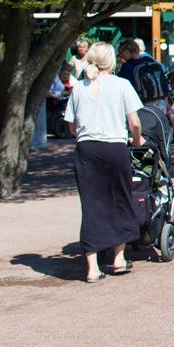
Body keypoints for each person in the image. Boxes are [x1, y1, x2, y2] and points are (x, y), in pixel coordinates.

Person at [63, 42, 144, 283]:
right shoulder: (121, 85)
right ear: (112, 61)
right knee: (119, 199)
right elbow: (135, 122)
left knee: (91, 204)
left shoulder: (79, 88)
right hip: (114, 147)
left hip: (87, 148)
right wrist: (137, 140)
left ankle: (92, 268)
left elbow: (70, 125)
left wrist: (84, 136)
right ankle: (118, 259)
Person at [119, 38, 169, 114]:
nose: (120, 55)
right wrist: (167, 103)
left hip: (142, 104)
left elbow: (125, 89)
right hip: (160, 102)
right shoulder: (150, 60)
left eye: (121, 52)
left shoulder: (127, 66)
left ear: (127, 51)